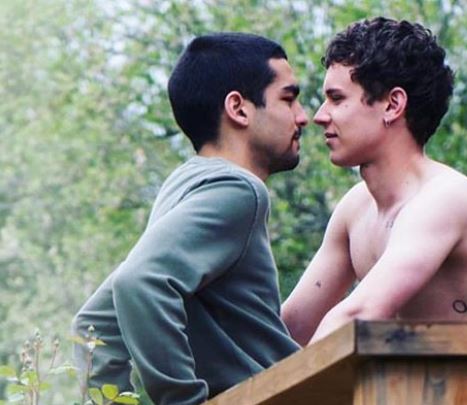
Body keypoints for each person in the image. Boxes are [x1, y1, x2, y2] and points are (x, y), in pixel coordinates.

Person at [281, 17, 467, 396]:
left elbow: (357, 315)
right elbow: (289, 328)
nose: (320, 115)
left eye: (337, 98)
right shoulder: (355, 210)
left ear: (393, 105)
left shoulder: (445, 198)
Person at [72, 33, 308, 405]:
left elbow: (94, 325)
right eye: (288, 98)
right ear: (239, 108)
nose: (303, 116)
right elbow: (140, 282)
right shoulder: (239, 191)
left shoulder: (183, 186)